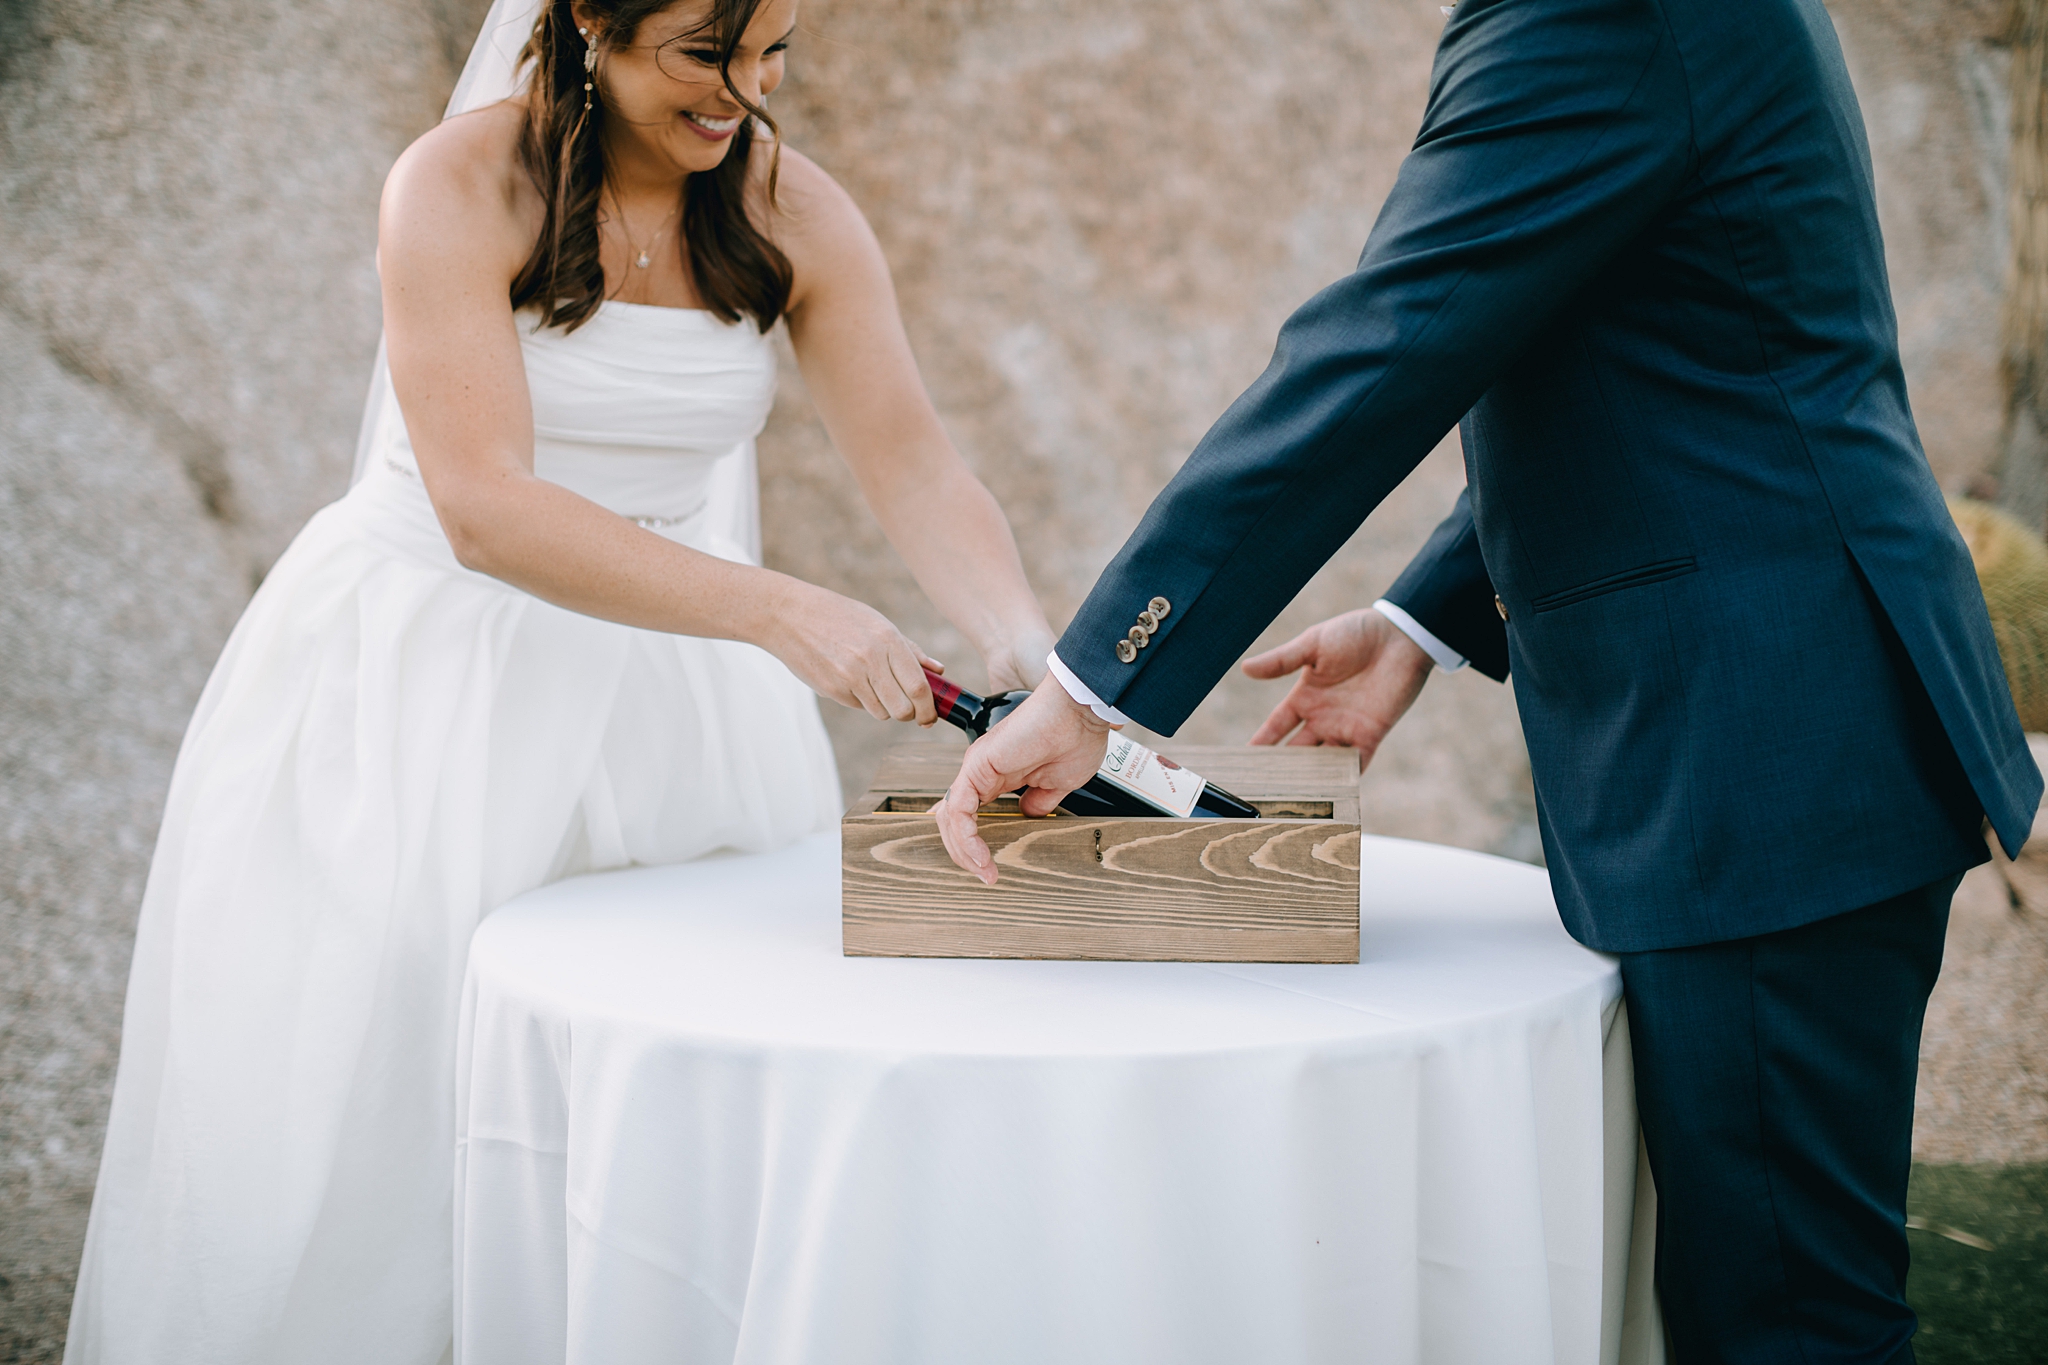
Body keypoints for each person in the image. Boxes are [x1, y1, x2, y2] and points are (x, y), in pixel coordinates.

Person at [935, 0, 2041, 1360]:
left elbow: (1389, 343)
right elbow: (1647, 340)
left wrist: (1093, 690)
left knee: (1786, 1320)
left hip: (1762, 758)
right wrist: (1420, 617)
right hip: (1787, 715)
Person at [66, 0, 1054, 1359]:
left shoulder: (788, 205)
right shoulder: (456, 186)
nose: (745, 98)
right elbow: (486, 508)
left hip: (682, 708)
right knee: (394, 1118)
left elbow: (916, 462)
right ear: (592, 18)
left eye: (775, 56)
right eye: (706, 55)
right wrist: (780, 610)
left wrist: (1027, 655)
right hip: (428, 686)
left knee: (653, 1118)